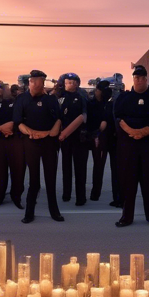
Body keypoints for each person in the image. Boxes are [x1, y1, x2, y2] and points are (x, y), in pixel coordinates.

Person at [113, 65, 149, 226]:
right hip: (128, 145)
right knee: (128, 181)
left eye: (141, 77)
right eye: (135, 77)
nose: (138, 80)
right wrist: (132, 131)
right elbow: (117, 117)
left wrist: (145, 131)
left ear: (146, 79)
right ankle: (126, 216)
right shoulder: (124, 98)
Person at [13, 69, 64, 223]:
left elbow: (59, 120)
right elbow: (17, 122)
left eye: (36, 81)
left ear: (43, 83)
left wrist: (48, 133)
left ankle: (54, 211)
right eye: (31, 81)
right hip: (31, 142)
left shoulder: (51, 100)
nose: (33, 84)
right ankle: (29, 212)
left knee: (50, 178)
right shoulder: (22, 99)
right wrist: (31, 133)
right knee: (33, 179)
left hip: (49, 143)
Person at [0, 84, 24, 208]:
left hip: (15, 140)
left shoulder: (18, 103)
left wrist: (12, 127)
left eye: (6, 89)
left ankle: (16, 196)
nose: (4, 91)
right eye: (1, 89)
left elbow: (22, 118)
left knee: (17, 169)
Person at [58, 72, 89, 206]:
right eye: (67, 82)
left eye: (72, 82)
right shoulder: (59, 97)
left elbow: (85, 116)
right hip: (64, 137)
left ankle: (80, 197)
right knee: (66, 166)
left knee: (80, 168)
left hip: (79, 137)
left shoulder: (82, 97)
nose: (69, 84)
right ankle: (66, 194)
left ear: (77, 83)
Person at [87, 80, 119, 206]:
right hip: (105, 137)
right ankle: (103, 194)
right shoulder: (108, 103)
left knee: (105, 167)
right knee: (102, 167)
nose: (96, 92)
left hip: (106, 137)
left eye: (98, 90)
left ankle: (108, 195)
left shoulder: (109, 103)